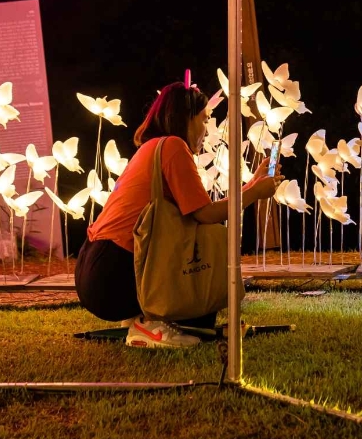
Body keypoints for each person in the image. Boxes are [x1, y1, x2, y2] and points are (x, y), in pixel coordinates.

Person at [75, 82, 281, 349]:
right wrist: (253, 194)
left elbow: (196, 209)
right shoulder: (173, 146)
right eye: (204, 119)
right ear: (186, 118)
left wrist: (253, 183)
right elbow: (205, 214)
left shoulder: (152, 147)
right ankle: (150, 323)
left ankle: (144, 315)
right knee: (207, 235)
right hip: (112, 274)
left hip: (95, 266)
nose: (207, 129)